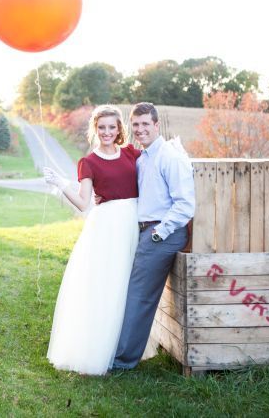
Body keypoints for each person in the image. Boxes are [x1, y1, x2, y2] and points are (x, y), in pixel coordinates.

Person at [42, 105, 141, 376]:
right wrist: (62, 185)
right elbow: (84, 203)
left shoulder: (131, 153)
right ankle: (97, 349)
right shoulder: (89, 162)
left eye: (112, 127)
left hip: (132, 222)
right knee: (106, 284)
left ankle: (126, 346)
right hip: (107, 226)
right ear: (94, 129)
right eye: (102, 127)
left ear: (120, 129)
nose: (107, 132)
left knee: (128, 285)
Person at [111, 101, 195, 370]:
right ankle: (122, 350)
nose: (140, 129)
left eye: (146, 123)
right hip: (146, 230)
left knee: (138, 295)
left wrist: (159, 233)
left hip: (162, 233)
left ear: (156, 125)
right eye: (135, 124)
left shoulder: (169, 157)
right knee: (129, 289)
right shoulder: (143, 157)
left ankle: (123, 361)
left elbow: (185, 204)